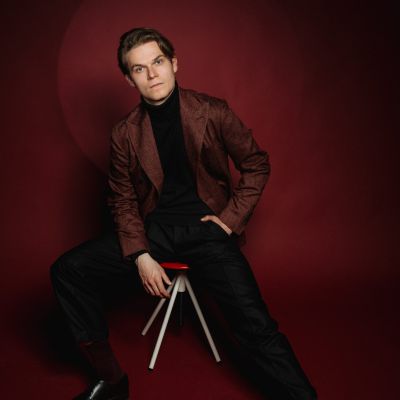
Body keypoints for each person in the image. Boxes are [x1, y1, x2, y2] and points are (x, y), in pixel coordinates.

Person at [50, 27, 318, 400]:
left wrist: (229, 221)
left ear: (174, 63)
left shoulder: (213, 111)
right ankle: (111, 379)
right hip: (154, 233)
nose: (152, 74)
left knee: (256, 327)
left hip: (209, 232)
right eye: (139, 69)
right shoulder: (125, 134)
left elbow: (257, 164)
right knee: (68, 269)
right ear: (129, 79)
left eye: (158, 62)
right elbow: (122, 199)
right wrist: (140, 255)